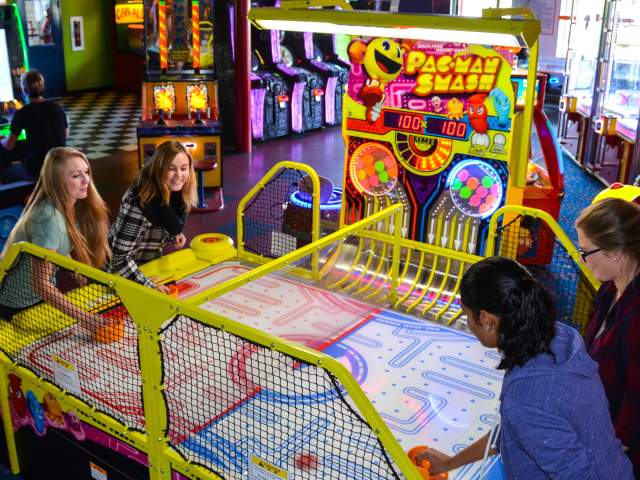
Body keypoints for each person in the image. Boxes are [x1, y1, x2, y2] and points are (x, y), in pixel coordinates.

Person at [413, 256, 633, 479]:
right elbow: (518, 429)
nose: (468, 323)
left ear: (487, 319)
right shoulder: (558, 338)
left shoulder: (527, 397)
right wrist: (450, 462)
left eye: (467, 314)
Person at [0, 147, 111, 332]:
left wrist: (84, 277)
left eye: (86, 172)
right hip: (16, 304)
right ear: (57, 181)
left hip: (37, 299)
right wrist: (87, 319)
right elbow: (40, 284)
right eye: (76, 176)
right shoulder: (49, 218)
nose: (86, 180)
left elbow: (59, 250)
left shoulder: (69, 205)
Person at [576, 197, 640, 476]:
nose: (582, 259)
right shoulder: (610, 288)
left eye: (586, 251)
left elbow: (636, 399)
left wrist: (612, 450)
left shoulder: (637, 315)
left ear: (615, 252)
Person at [108, 140, 197, 293]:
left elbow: (162, 223)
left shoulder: (175, 193)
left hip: (147, 268)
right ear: (159, 169)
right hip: (122, 277)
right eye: (171, 169)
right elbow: (119, 259)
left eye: (184, 168)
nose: (179, 175)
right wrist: (149, 286)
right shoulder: (140, 201)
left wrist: (172, 235)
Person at [0, 70, 68, 182]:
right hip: (60, 166)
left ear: (24, 90)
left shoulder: (22, 113)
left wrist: (2, 139)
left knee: (8, 170)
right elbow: (65, 135)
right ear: (43, 86)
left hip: (37, 170)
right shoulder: (57, 107)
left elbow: (9, 146)